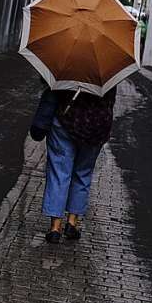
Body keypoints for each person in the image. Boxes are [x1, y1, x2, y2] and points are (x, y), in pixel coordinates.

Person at [29, 83, 116, 244]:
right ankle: (72, 222)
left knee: (59, 173)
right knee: (83, 173)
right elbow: (109, 102)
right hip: (95, 129)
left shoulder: (69, 64)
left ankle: (55, 228)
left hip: (65, 122)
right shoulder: (109, 71)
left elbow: (53, 92)